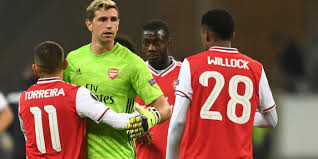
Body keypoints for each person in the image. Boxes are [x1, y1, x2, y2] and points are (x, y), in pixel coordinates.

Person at [63, 0, 171, 158]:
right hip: (78, 154)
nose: (109, 25)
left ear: (118, 23)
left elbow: (165, 109)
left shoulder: (132, 63)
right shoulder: (73, 60)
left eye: (113, 19)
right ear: (89, 24)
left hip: (118, 154)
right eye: (102, 19)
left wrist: (146, 120)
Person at [166, 9, 278, 159]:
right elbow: (272, 120)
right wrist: (233, 116)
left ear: (206, 34)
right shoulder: (255, 68)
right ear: (232, 35)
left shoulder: (191, 65)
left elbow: (178, 121)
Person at [19, 41, 144, 159]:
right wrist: (144, 114)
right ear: (65, 65)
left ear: (35, 69)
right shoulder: (75, 95)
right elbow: (119, 122)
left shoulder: (24, 99)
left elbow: (28, 137)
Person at [135, 19, 181, 159]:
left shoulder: (185, 72)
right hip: (145, 154)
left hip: (180, 154)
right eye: (146, 43)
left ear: (168, 42)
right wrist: (135, 125)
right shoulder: (135, 73)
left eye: (156, 42)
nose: (151, 48)